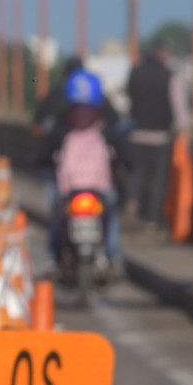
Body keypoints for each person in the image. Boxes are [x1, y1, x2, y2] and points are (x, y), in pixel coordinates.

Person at [40, 68, 125, 273]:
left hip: (69, 188)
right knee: (111, 215)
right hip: (98, 187)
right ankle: (112, 256)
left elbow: (45, 151)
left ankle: (53, 256)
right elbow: (123, 150)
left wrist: (44, 163)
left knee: (57, 213)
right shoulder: (106, 122)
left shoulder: (63, 122)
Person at [123, 43, 191, 230]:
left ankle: (132, 200)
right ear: (163, 55)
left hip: (136, 133)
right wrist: (183, 130)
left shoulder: (135, 73)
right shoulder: (170, 76)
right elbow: (180, 109)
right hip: (161, 136)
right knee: (158, 180)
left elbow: (128, 95)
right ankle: (152, 220)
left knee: (136, 172)